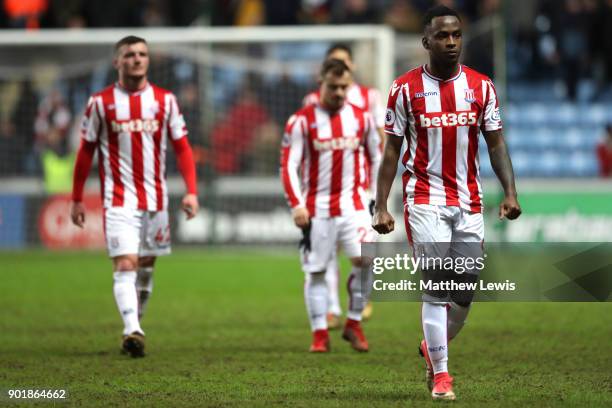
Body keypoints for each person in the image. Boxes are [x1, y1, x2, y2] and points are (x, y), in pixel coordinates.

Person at [372, 6, 521, 401]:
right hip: (423, 198)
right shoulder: (404, 89)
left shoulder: (482, 87)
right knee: (437, 286)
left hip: (468, 200)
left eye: (456, 35)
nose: (451, 42)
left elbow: (496, 144)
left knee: (465, 291)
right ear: (426, 42)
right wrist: (380, 205)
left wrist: (510, 192)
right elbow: (391, 152)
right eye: (442, 36)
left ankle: (430, 347)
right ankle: (442, 375)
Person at [70, 36, 199, 358]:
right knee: (126, 263)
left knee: (146, 265)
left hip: (156, 199)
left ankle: (134, 327)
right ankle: (132, 328)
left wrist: (192, 191)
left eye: (142, 54)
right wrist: (76, 197)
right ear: (117, 62)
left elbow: (182, 147)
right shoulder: (100, 103)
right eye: (129, 55)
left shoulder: (165, 100)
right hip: (118, 199)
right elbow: (86, 151)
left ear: (148, 60)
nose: (137, 59)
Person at [281, 58, 381, 353]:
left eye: (344, 87)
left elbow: (377, 157)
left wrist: (374, 196)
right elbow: (288, 165)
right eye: (333, 86)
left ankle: (353, 322)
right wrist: (297, 204)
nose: (339, 93)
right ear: (320, 82)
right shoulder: (301, 120)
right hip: (317, 211)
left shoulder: (361, 118)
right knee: (317, 272)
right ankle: (319, 334)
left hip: (354, 206)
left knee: (368, 260)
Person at [302, 43, 385, 328]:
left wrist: (376, 190)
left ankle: (357, 299)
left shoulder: (370, 97)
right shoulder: (312, 102)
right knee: (328, 252)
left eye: (344, 63)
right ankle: (332, 309)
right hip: (325, 192)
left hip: (359, 189)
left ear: (353, 67)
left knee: (363, 252)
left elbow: (380, 139)